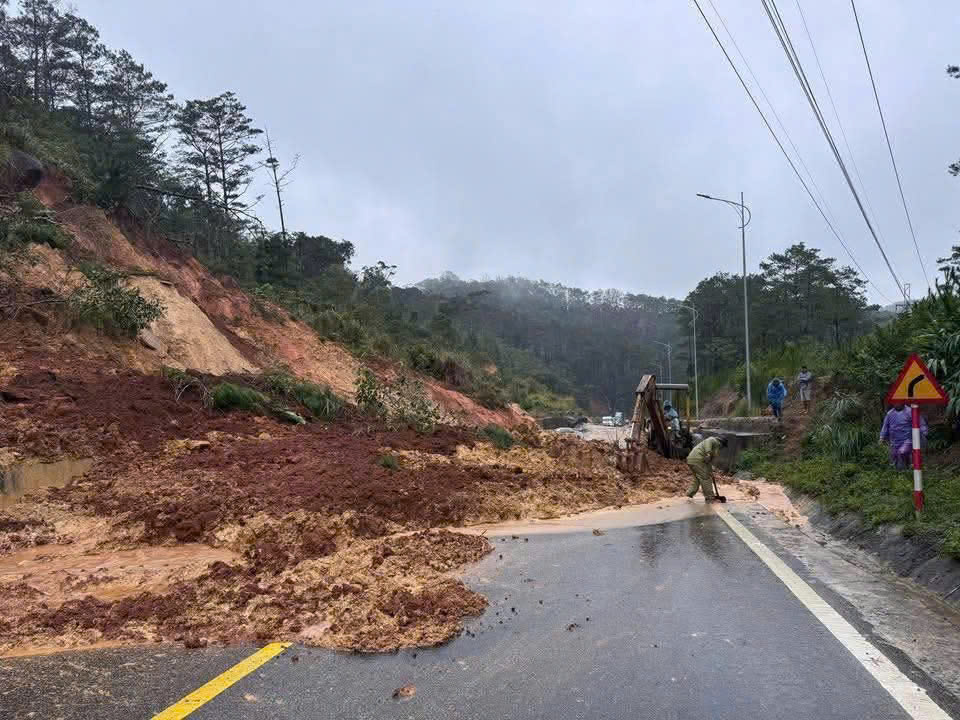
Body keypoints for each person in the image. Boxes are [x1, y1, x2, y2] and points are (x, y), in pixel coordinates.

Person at [880, 403, 928, 469]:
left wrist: (924, 432)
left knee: (902, 452)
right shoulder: (890, 414)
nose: (897, 404)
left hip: (907, 439)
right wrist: (882, 437)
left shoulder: (910, 411)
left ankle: (907, 468)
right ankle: (900, 473)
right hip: (894, 441)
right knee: (894, 457)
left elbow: (920, 422)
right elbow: (885, 426)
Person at [686, 435, 729, 502]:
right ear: (721, 443)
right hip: (698, 459)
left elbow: (708, 463)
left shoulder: (714, 448)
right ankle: (710, 497)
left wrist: (710, 471)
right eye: (723, 446)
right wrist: (708, 453)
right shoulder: (713, 440)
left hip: (691, 460)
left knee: (697, 479)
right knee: (706, 478)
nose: (722, 448)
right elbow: (709, 441)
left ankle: (689, 493)